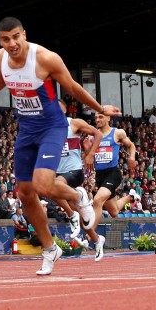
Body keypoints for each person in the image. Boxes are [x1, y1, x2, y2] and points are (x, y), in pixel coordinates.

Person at [0, 17, 112, 275]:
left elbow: (72, 87)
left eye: (16, 37)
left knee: (43, 185)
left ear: (24, 34)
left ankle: (78, 196)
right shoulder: (1, 58)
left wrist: (99, 108)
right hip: (27, 130)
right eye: (6, 39)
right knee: (25, 194)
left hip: (52, 128)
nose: (12, 43)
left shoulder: (46, 58)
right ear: (0, 41)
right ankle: (50, 248)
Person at [54, 99, 106, 245]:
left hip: (74, 171)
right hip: (58, 172)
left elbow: (98, 134)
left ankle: (78, 199)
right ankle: (96, 240)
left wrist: (91, 153)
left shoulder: (74, 123)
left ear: (64, 110)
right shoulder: (48, 128)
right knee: (80, 214)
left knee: (54, 184)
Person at [87, 110, 137, 260]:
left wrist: (132, 157)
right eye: (95, 117)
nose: (97, 119)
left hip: (113, 173)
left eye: (101, 116)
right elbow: (89, 157)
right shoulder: (93, 135)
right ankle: (130, 197)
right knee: (114, 211)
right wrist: (87, 149)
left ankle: (90, 238)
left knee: (97, 200)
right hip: (100, 176)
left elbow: (131, 145)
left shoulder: (117, 133)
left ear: (108, 118)